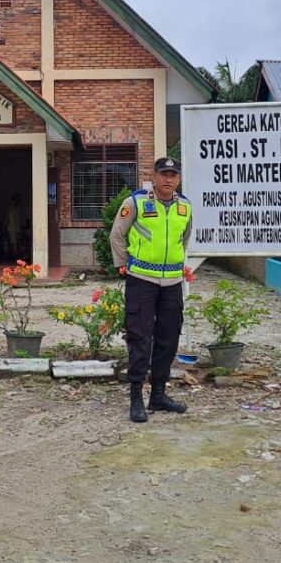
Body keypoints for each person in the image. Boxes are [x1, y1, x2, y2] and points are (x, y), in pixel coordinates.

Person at [109, 157, 193, 423]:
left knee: (168, 339)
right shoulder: (135, 202)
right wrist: (123, 265)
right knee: (140, 338)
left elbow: (185, 238)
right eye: (164, 174)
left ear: (178, 178)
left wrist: (178, 266)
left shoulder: (185, 207)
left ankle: (158, 394)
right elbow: (117, 235)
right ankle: (136, 397)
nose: (168, 179)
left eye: (173, 175)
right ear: (154, 176)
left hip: (171, 284)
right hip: (142, 281)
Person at [6, 193, 23, 260]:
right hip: (11, 227)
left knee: (18, 242)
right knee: (12, 242)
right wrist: (5, 225)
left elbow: (21, 217)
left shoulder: (20, 208)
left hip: (18, 227)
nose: (16, 200)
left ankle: (18, 256)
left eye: (18, 199)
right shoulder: (10, 208)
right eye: (15, 199)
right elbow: (7, 217)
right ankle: (12, 256)